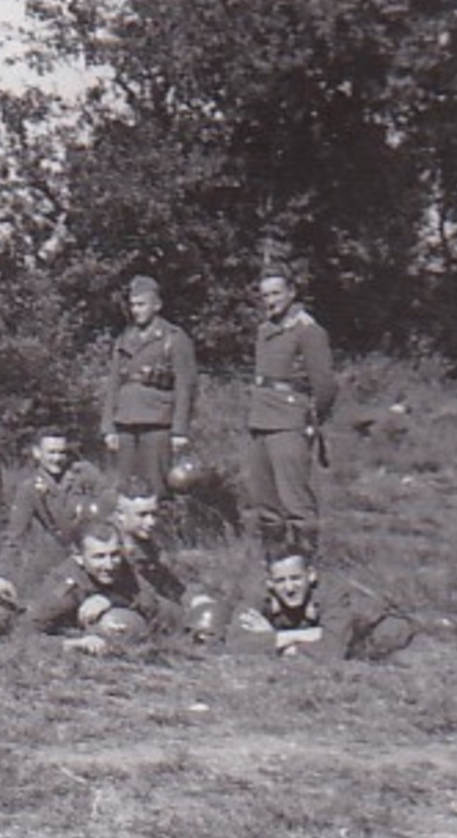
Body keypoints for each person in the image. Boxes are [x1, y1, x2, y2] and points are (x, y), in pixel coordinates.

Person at [244, 269, 338, 558]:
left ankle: (305, 563)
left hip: (289, 420)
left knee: (295, 499)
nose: (270, 301)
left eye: (276, 293)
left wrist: (309, 420)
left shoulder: (307, 330)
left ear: (291, 292)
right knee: (265, 500)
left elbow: (325, 385)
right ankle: (275, 563)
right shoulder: (265, 330)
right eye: (265, 296)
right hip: (261, 419)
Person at [101, 275, 198, 497]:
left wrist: (180, 430)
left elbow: (185, 387)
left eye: (141, 304)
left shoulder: (173, 337)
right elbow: (113, 383)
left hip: (158, 420)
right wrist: (108, 426)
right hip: (125, 420)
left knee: (157, 486)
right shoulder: (124, 338)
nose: (136, 310)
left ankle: (162, 529)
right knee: (124, 485)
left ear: (157, 305)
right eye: (133, 305)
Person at [231, 545, 414, 660]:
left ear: (311, 576)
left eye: (296, 578)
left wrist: (275, 642)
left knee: (367, 652)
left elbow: (331, 650)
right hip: (329, 629)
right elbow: (234, 643)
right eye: (280, 581)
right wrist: (297, 636)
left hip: (374, 626)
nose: (289, 588)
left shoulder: (334, 593)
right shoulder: (258, 594)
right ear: (270, 583)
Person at [23, 520, 167, 653]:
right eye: (99, 557)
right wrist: (75, 643)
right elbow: (26, 632)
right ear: (79, 558)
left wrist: (111, 599)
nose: (109, 565)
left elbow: (151, 601)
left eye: (114, 554)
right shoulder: (66, 588)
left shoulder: (124, 567)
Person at [0, 427, 105, 585]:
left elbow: (107, 508)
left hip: (91, 553)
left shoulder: (84, 475)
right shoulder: (29, 489)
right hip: (55, 560)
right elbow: (15, 535)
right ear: (37, 453)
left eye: (62, 452)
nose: (57, 458)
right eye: (51, 452)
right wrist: (2, 575)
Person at [111, 475, 188, 606]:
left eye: (153, 514)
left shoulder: (147, 544)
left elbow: (168, 582)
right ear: (120, 514)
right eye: (142, 515)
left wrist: (194, 599)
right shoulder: (105, 547)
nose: (151, 522)